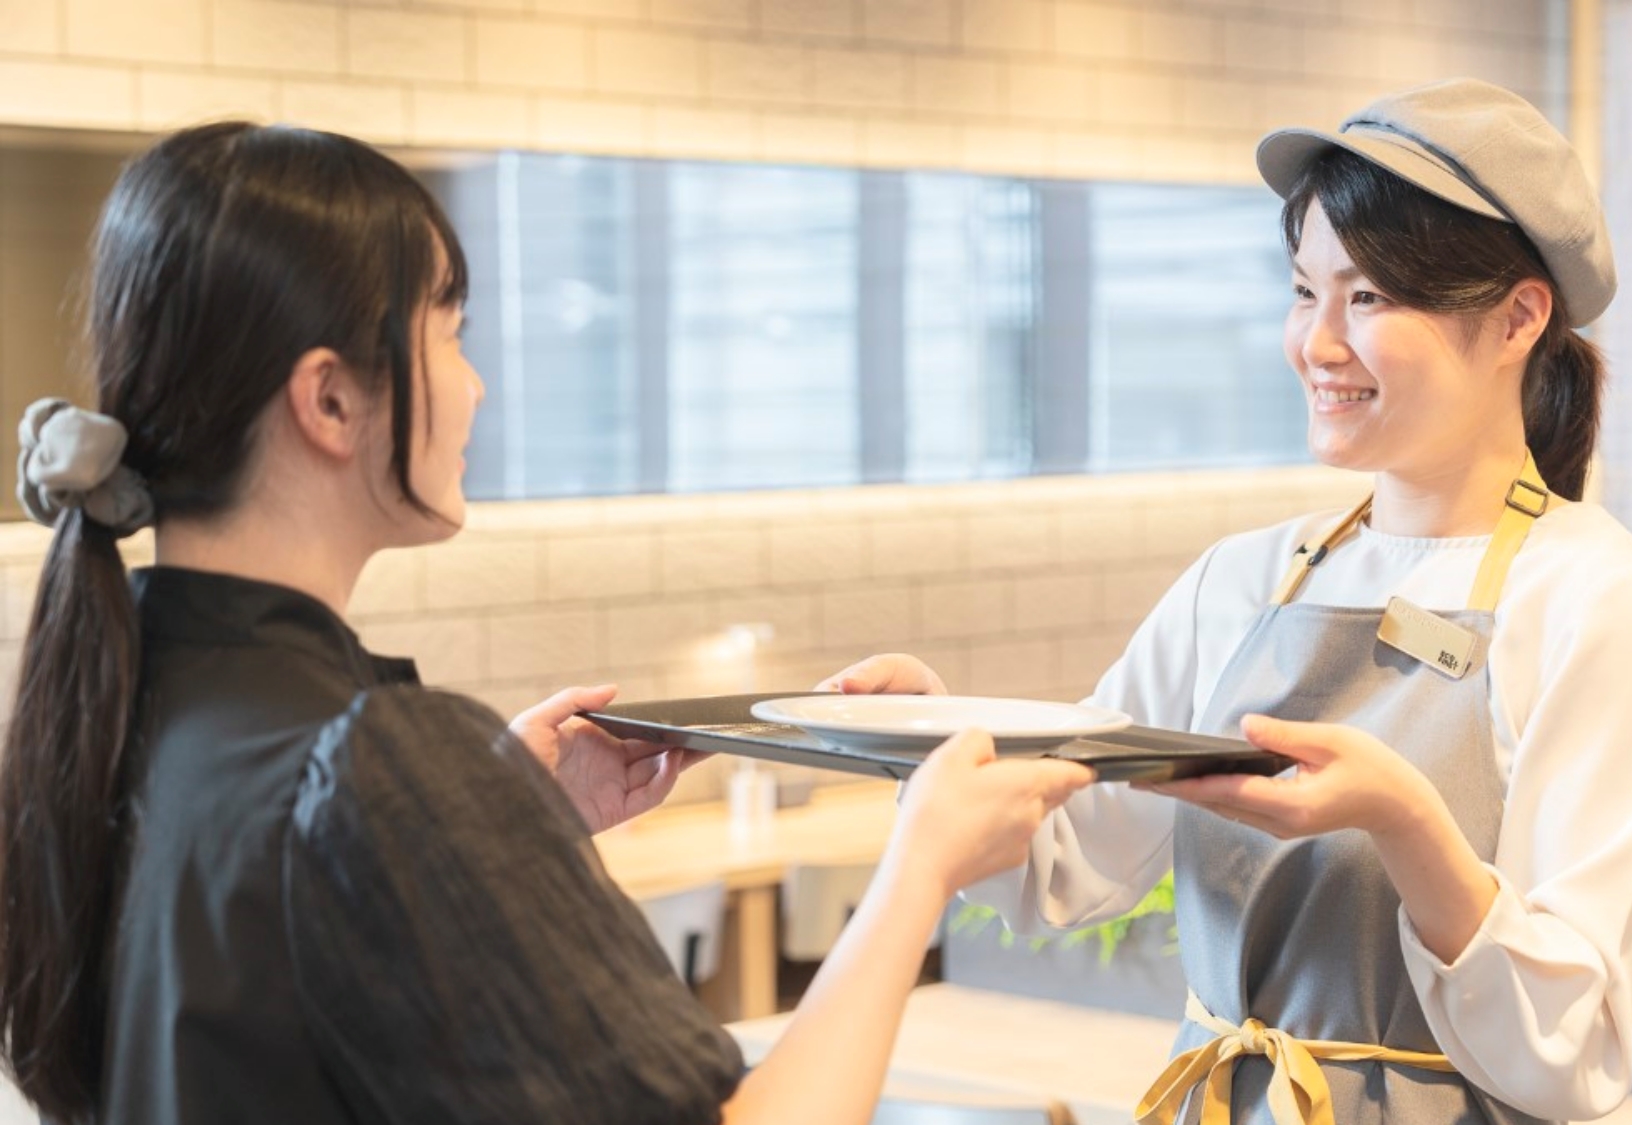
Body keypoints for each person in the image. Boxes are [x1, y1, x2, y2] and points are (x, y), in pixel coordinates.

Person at [0, 121, 1093, 1125]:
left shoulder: (121, 702)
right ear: (329, 400)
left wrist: (491, 831)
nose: (475, 387)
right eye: (449, 333)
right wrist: (919, 868)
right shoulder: (373, 760)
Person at [823, 79, 1632, 1125]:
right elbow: (1064, 865)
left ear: (1518, 318)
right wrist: (934, 740)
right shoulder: (1242, 580)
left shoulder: (1602, 605)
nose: (1316, 344)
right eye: (1303, 291)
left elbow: (1569, 1050)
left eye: (1368, 298)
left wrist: (1404, 819)